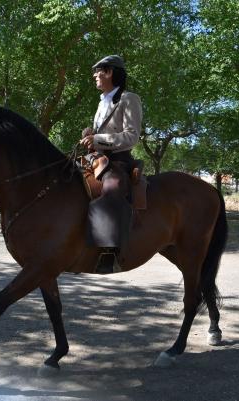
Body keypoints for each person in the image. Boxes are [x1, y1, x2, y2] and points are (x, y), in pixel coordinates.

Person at [80, 55, 143, 274]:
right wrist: (91, 136)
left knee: (112, 189)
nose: (95, 75)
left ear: (111, 72)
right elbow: (103, 132)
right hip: (97, 159)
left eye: (99, 71)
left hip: (118, 161)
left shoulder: (129, 99)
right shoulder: (102, 101)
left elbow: (132, 136)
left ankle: (110, 251)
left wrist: (98, 139)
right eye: (95, 71)